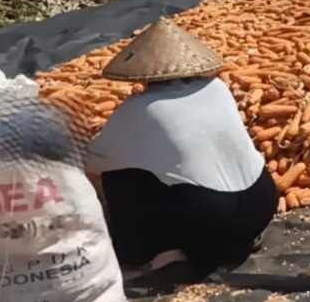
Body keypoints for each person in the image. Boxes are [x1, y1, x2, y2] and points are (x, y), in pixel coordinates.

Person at [86, 18, 278, 277]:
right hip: (261, 204)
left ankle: (145, 251)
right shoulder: (218, 88)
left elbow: (92, 162)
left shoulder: (142, 107)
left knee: (119, 175)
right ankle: (239, 241)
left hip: (211, 219)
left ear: (142, 73)